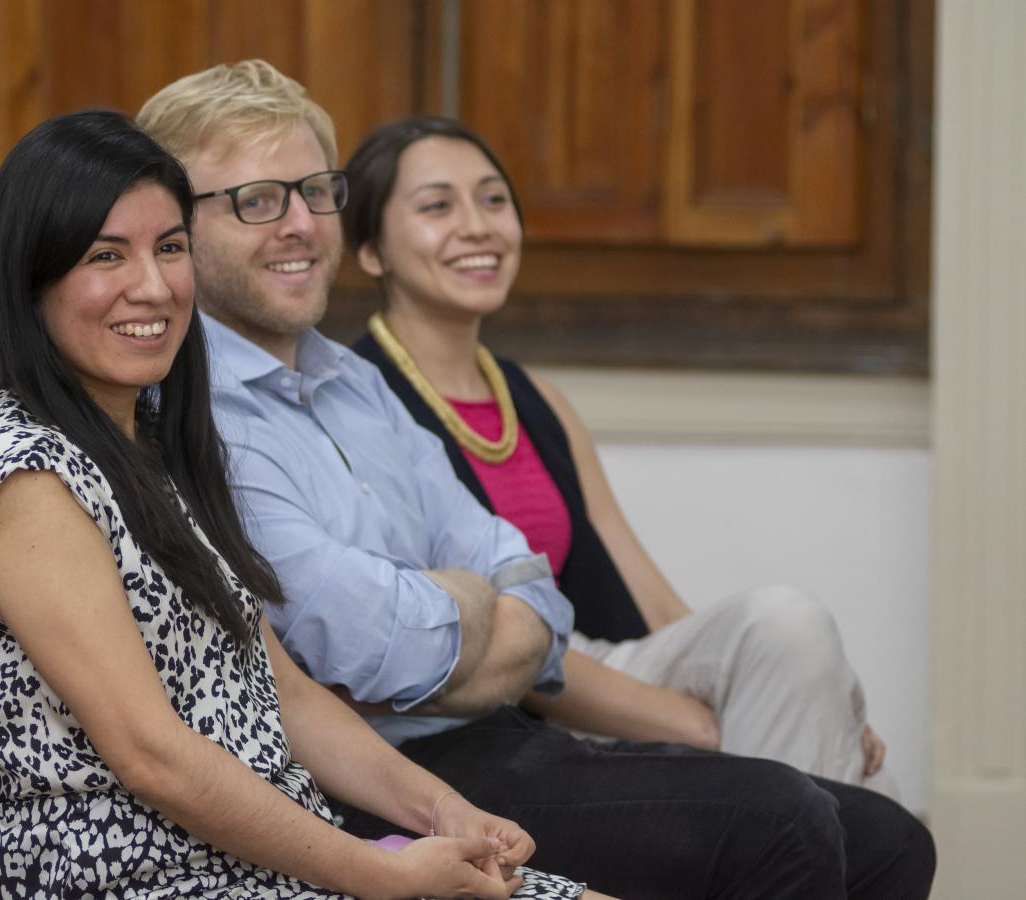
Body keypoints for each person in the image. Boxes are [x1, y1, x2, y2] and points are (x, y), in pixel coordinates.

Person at [136, 59, 936, 898]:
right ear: (177, 230)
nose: (298, 223)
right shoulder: (196, 411)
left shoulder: (353, 383)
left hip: (496, 729)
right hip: (375, 781)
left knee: (888, 839)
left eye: (315, 191)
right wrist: (480, 607)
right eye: (257, 200)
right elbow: (358, 644)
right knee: (780, 816)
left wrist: (477, 619)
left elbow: (534, 593)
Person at [0, 109, 595, 899]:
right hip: (148, 880)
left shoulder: (147, 446)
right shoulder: (29, 478)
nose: (154, 286)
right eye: (107, 255)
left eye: (169, 247)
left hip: (252, 865)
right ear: (31, 281)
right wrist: (382, 874)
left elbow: (288, 694)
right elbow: (151, 754)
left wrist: (446, 812)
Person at [340, 114, 894, 792]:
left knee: (788, 630)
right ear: (371, 250)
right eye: (436, 206)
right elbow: (481, 653)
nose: (478, 226)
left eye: (492, 199)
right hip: (500, 709)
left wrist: (795, 684)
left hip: (603, 661)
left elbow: (652, 599)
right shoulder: (358, 403)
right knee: (867, 793)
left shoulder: (533, 396)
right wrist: (696, 720)